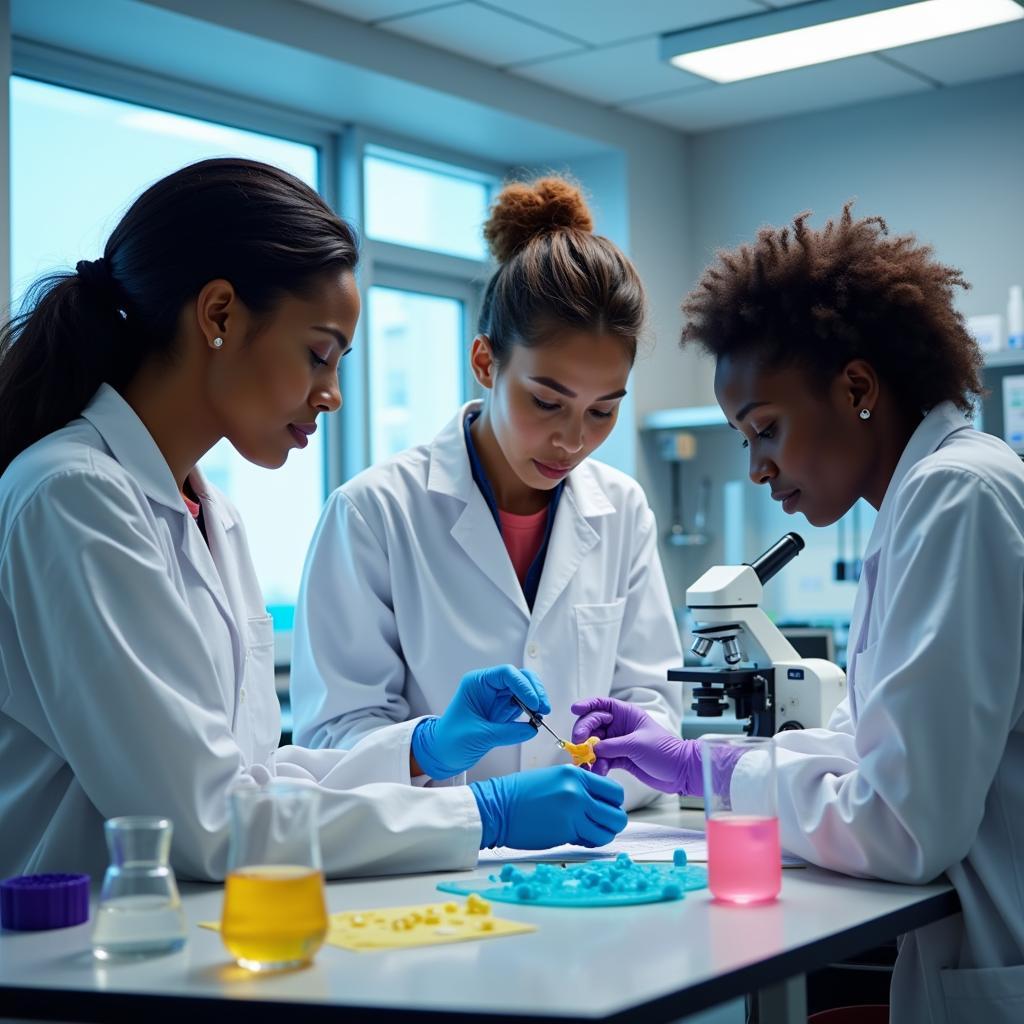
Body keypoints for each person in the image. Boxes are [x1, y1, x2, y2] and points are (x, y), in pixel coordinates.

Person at [0, 158, 627, 884]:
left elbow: (254, 778)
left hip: (183, 942)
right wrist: (484, 813)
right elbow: (207, 822)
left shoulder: (210, 515)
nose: (331, 395)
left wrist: (427, 747)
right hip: (67, 963)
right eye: (318, 354)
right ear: (219, 315)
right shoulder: (72, 495)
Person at [571, 205, 1024, 1024]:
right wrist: (690, 764)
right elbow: (873, 748)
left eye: (764, 429)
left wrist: (707, 772)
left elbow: (899, 824)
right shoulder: (928, 497)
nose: (755, 468)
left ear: (856, 387)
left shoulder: (955, 496)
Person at [290, 176, 681, 808]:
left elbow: (651, 705)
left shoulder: (623, 509)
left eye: (602, 411)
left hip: (599, 851)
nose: (572, 441)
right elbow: (333, 737)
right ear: (485, 363)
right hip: (433, 864)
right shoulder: (373, 513)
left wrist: (601, 775)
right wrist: (471, 792)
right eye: (547, 401)